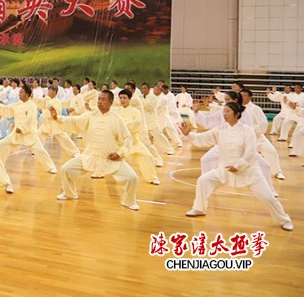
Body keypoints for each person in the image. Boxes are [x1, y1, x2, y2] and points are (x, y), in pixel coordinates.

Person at [181, 102, 293, 231]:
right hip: (225, 170)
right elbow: (203, 139)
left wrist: (238, 165)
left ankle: (284, 220)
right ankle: (199, 208)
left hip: (248, 171)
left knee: (268, 197)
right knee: (203, 180)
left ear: (237, 114)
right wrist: (189, 135)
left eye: (227, 111)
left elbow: (250, 152)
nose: (224, 114)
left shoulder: (247, 130)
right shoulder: (221, 129)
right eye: (224, 111)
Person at [50, 91, 140, 211]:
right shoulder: (90, 116)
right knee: (66, 169)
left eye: (103, 99)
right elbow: (74, 121)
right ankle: (69, 194)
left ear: (111, 102)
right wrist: (57, 118)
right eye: (99, 99)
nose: (100, 102)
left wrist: (120, 153)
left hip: (109, 158)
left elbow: (127, 138)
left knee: (132, 177)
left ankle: (129, 202)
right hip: (89, 156)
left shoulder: (116, 119)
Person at [0, 84, 57, 175]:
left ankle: (51, 167)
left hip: (29, 134)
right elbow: (6, 109)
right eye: (19, 92)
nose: (19, 94)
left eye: (21, 92)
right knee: (2, 144)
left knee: (40, 150)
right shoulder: (17, 104)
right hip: (16, 134)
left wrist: (22, 128)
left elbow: (30, 120)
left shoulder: (32, 106)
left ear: (27, 94)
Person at [114, 90, 160, 185]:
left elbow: (137, 123)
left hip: (134, 142)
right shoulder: (116, 112)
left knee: (147, 156)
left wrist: (124, 127)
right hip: (121, 144)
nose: (122, 100)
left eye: (124, 98)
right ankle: (99, 173)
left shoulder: (135, 111)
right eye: (121, 98)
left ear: (130, 99)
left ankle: (152, 178)